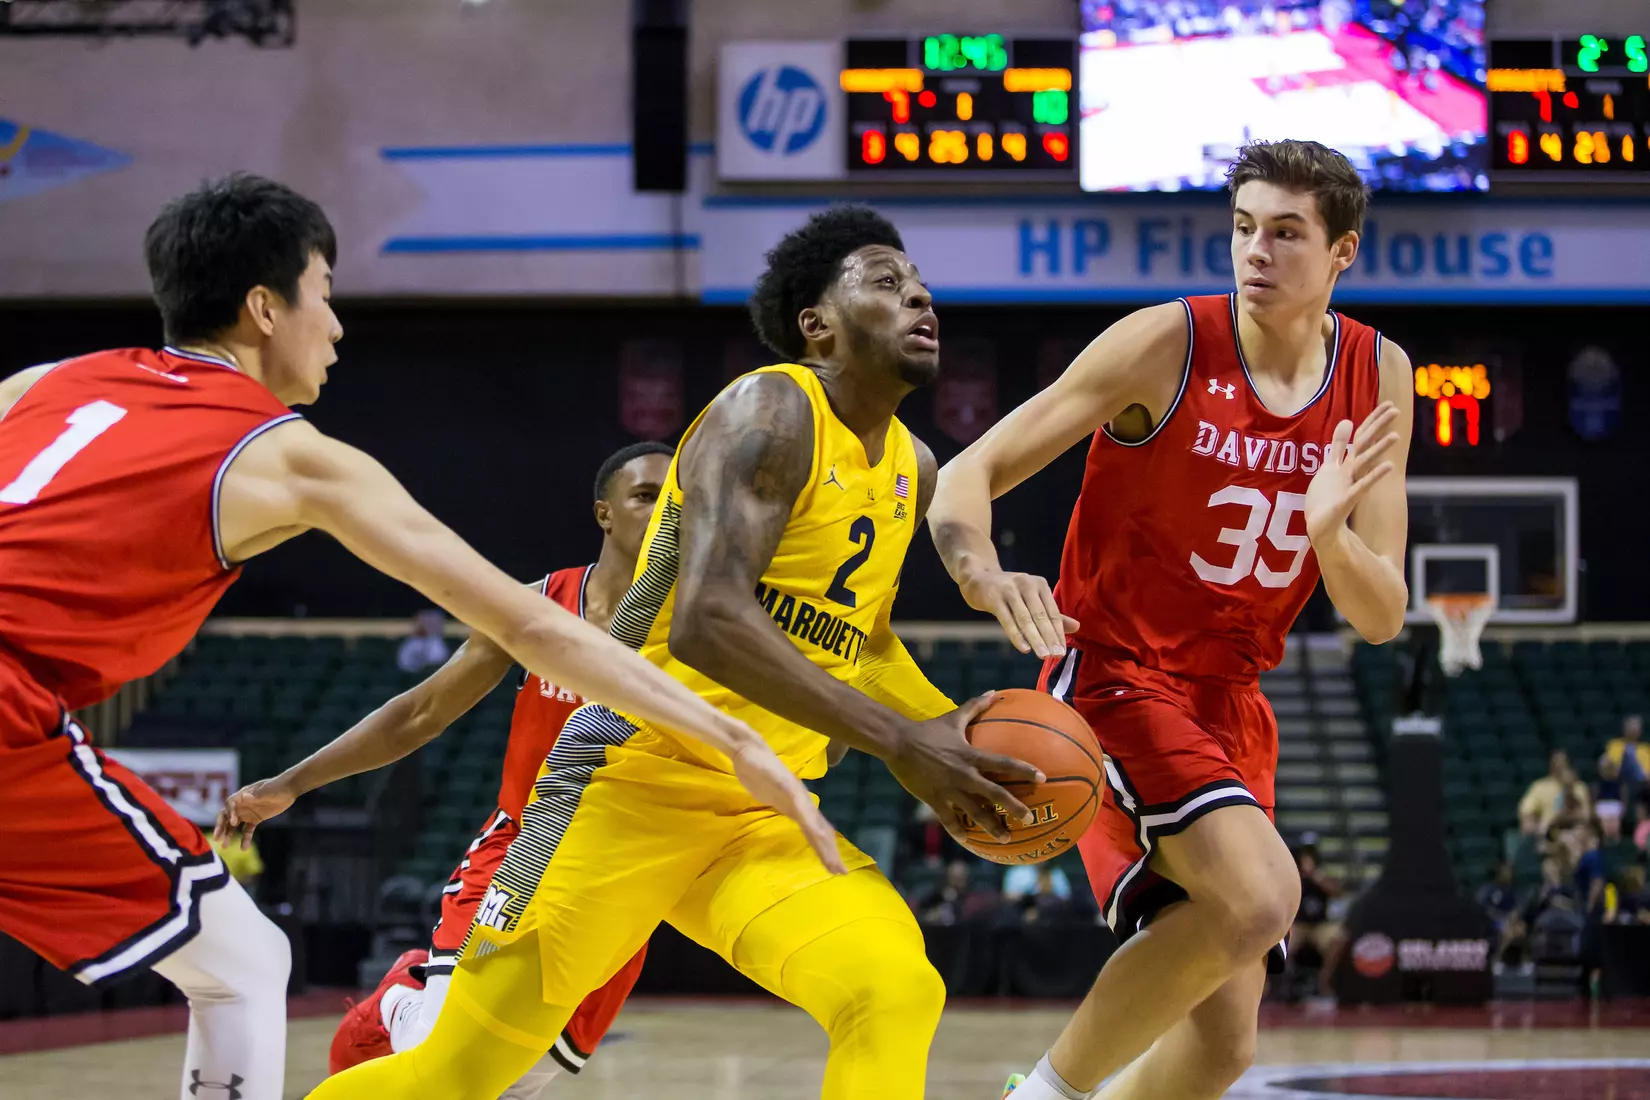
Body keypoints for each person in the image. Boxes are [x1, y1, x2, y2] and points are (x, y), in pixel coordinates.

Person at [0, 175, 829, 1100]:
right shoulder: (290, 455)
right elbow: (519, 624)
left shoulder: (44, 386)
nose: (338, 325)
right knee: (242, 964)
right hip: (13, 706)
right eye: (324, 292)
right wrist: (736, 738)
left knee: (268, 969)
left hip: (617, 868)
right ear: (265, 308)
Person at [311, 206, 1043, 1100]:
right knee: (456, 1076)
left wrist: (944, 729)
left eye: (917, 280)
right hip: (623, 786)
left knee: (891, 989)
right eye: (885, 281)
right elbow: (709, 621)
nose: (920, 294)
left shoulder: (912, 467)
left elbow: (864, 639)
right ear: (818, 324)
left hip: (757, 816)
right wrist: (901, 742)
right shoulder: (768, 407)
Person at [928, 139, 1414, 1100]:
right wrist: (981, 573)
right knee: (1265, 894)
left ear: (1342, 252)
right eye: (1243, 229)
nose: (1256, 253)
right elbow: (965, 474)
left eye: (1286, 233)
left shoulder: (1378, 372)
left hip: (1231, 702)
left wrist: (1331, 536)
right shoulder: (1167, 341)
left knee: (1224, 1046)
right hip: (1113, 671)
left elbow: (1382, 613)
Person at [219, 441, 672, 1097]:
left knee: (515, 1077)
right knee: (450, 1062)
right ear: (604, 512)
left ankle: (404, 999)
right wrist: (290, 782)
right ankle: (404, 1004)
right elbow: (420, 712)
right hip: (522, 852)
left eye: (675, 499)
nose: (663, 511)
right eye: (645, 495)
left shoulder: (697, 626)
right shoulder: (539, 605)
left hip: (620, 879)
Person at [1519, 749, 1575, 836]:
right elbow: (1526, 815)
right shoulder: (1540, 787)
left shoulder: (1578, 787)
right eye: (1558, 761)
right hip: (1549, 835)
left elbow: (1586, 815)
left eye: (1564, 762)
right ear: (1551, 764)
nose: (1561, 765)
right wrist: (1541, 827)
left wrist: (1569, 789)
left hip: (1574, 831)